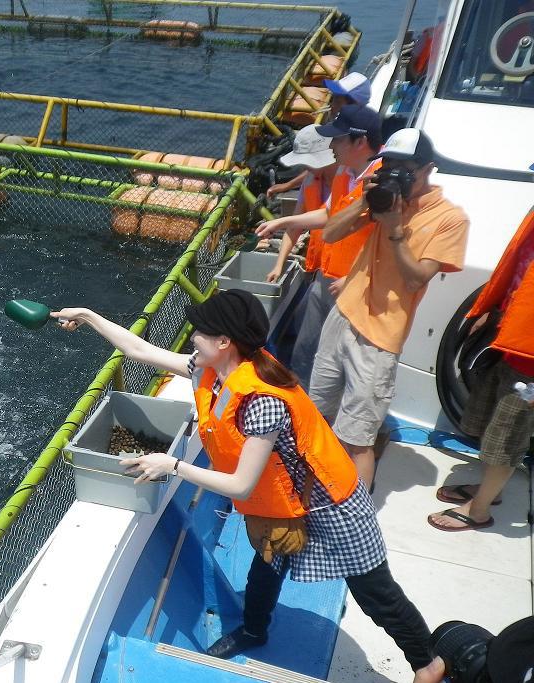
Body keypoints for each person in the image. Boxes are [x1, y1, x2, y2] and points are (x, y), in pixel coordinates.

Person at [51, 290, 432, 669]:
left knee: (375, 592)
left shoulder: (261, 401)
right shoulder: (216, 368)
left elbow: (240, 486)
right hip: (284, 500)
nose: (191, 336)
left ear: (224, 341)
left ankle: (427, 662)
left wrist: (173, 467)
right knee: (266, 564)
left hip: (331, 504)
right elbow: (140, 351)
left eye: (199, 330)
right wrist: (87, 314)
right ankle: (254, 629)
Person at [311, 128, 469, 489]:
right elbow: (332, 235)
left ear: (428, 169)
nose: (395, 175)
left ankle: (355, 520)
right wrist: (362, 204)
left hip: (380, 336)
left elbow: (416, 279)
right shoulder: (382, 200)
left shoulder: (449, 219)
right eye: (389, 166)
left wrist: (395, 229)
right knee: (318, 414)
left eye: (404, 169)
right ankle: (312, 493)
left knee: (357, 438)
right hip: (344, 315)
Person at [256, 105, 384, 391]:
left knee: (341, 361)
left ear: (359, 142)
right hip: (326, 278)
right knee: (307, 348)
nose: (332, 146)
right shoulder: (345, 173)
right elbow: (329, 214)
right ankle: (301, 403)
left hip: (355, 289)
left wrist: (355, 277)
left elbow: (389, 242)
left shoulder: (382, 181)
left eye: (337, 139)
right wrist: (285, 221)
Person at [428, 205, 534, 532]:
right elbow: (521, 271)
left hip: (528, 362)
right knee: (491, 423)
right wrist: (493, 311)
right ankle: (490, 490)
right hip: (506, 338)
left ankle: (479, 510)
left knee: (508, 434)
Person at [264, 72, 372, 201]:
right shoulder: (336, 132)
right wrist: (288, 185)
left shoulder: (351, 142)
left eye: (338, 100)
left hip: (337, 203)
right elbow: (316, 168)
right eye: (333, 98)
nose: (332, 104)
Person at [263, 124, 338, 287]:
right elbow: (294, 227)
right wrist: (278, 265)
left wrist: (281, 222)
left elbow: (328, 216)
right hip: (319, 264)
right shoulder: (310, 181)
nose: (305, 167)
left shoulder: (351, 181)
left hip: (341, 270)